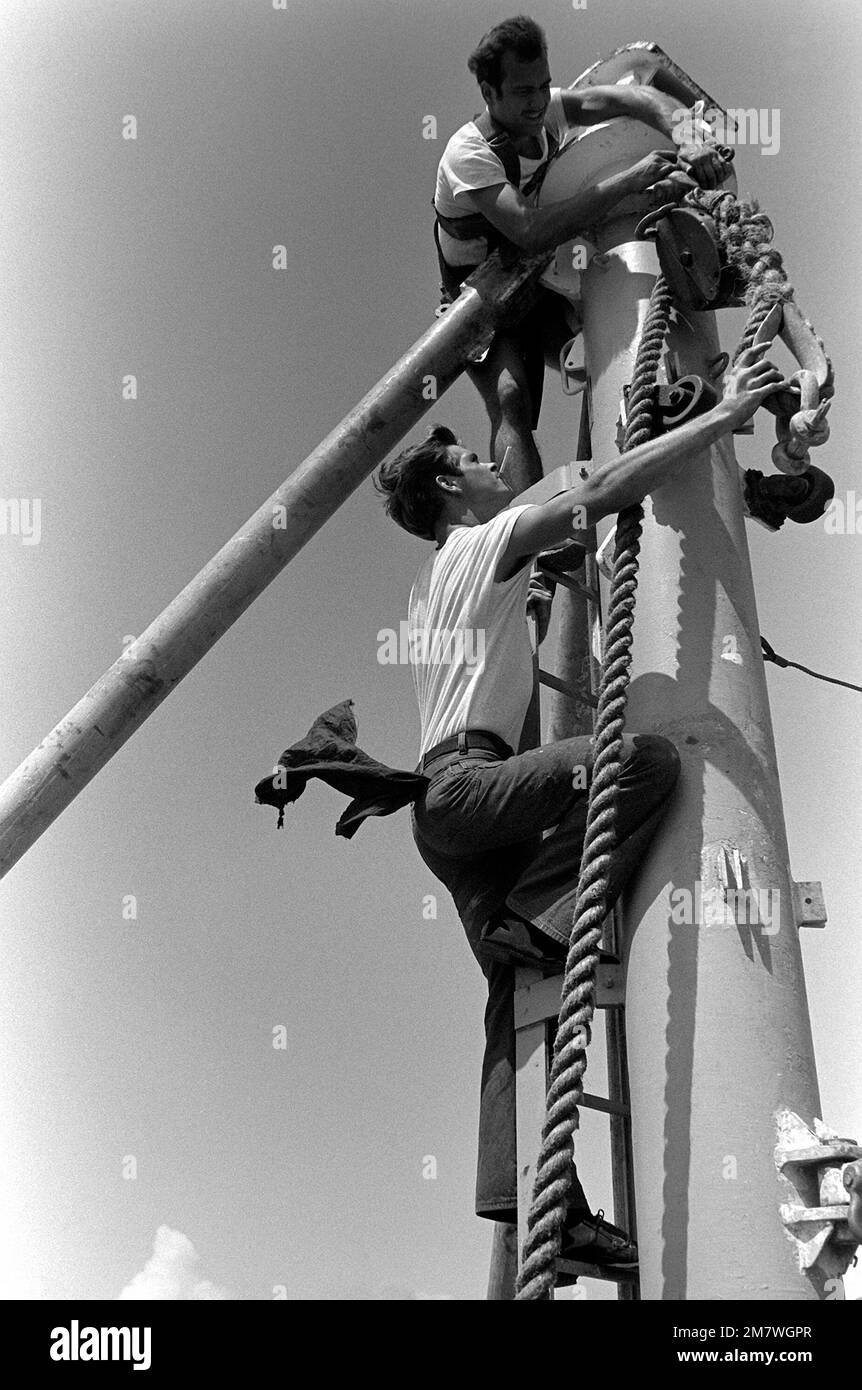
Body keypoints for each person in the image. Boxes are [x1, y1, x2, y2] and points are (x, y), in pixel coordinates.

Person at [374, 342, 787, 1267]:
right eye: (476, 464)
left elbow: (561, 537)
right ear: (449, 490)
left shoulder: (440, 581)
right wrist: (718, 419)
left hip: (448, 815)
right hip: (470, 786)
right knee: (640, 762)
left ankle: (536, 1211)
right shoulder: (480, 542)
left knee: (513, 998)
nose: (493, 468)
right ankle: (536, 915)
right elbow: (593, 500)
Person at [434, 14, 729, 500]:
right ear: (489, 93)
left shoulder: (546, 111)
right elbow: (528, 231)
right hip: (483, 295)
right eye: (523, 91)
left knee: (610, 351)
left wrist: (687, 134)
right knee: (512, 400)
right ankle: (527, 539)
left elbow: (632, 98)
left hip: (541, 278)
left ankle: (616, 490)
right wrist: (628, 180)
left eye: (544, 85)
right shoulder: (468, 153)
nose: (538, 101)